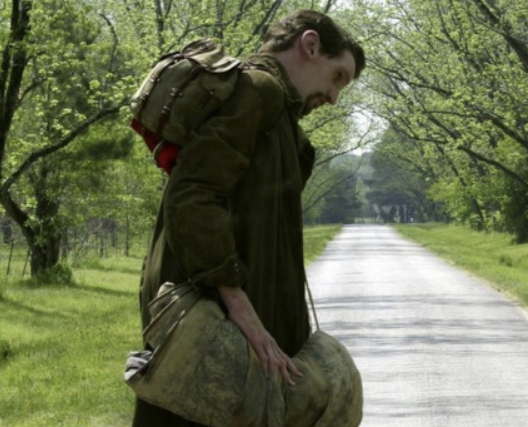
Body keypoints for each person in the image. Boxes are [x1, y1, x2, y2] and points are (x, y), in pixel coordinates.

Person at [132, 9, 365, 427]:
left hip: (227, 333)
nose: (334, 97)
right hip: (212, 331)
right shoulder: (258, 91)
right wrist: (240, 307)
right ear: (310, 45)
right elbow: (193, 196)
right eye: (337, 77)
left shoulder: (280, 118)